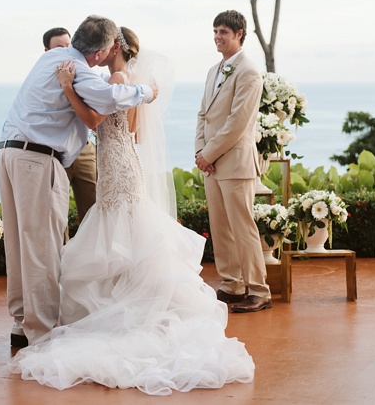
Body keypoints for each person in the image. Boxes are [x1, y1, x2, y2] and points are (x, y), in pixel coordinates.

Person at [13, 26, 254, 395]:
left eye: (108, 47)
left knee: (119, 234)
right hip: (118, 160)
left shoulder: (120, 79)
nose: (102, 52)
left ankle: (123, 310)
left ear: (115, 49)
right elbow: (132, 129)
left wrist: (66, 90)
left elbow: (95, 121)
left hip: (117, 165)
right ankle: (119, 302)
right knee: (121, 234)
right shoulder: (121, 80)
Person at [0, 15, 157, 348]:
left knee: (16, 243)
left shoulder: (51, 58)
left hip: (10, 154)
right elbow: (109, 101)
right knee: (42, 248)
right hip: (37, 161)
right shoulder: (78, 68)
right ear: (100, 53)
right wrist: (147, 91)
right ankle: (41, 334)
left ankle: (20, 321)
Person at [195, 10, 269, 313]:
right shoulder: (214, 71)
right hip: (211, 163)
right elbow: (203, 115)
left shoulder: (249, 71)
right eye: (215, 31)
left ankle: (259, 290)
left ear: (240, 34)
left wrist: (208, 154)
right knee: (221, 227)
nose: (217, 36)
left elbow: (238, 122)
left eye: (224, 31)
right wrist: (201, 152)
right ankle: (232, 285)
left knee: (242, 227)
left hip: (235, 162)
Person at [43, 27, 97, 224]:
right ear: (47, 52)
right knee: (55, 211)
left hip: (85, 149)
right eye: (60, 48)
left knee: (93, 206)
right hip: (56, 151)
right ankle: (60, 254)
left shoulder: (84, 73)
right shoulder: (42, 80)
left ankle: (93, 253)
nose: (66, 52)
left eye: (69, 46)